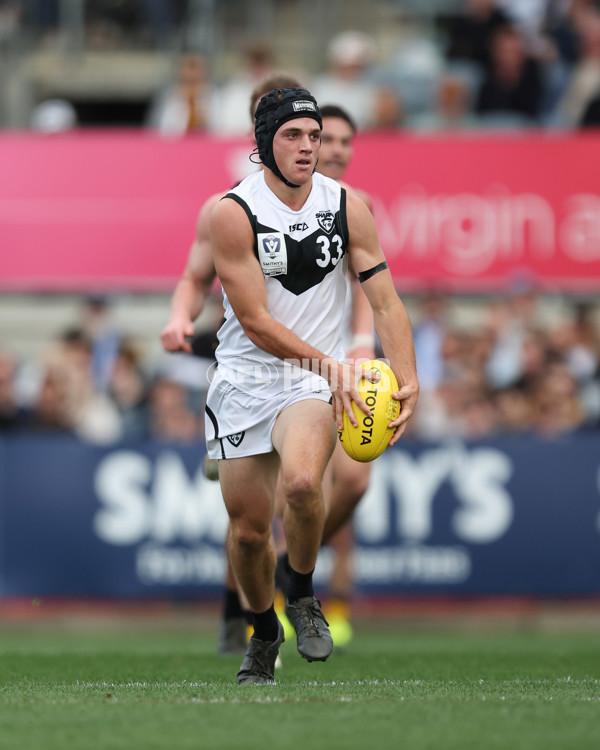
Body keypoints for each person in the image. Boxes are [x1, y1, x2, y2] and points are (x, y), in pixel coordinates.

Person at [206, 86, 418, 684]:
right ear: (264, 142)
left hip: (310, 380)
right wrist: (335, 367)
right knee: (247, 533)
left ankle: (300, 590)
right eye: (293, 135)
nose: (307, 147)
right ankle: (264, 629)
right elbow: (256, 323)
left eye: (314, 135)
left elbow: (384, 297)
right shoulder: (233, 211)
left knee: (302, 483)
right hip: (245, 377)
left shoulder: (348, 205)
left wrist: (409, 378)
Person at [273, 104, 376, 647]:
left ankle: (298, 576)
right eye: (323, 138)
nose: (332, 149)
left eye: (341, 141)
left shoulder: (356, 205)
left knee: (353, 481)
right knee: (298, 486)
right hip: (285, 365)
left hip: (343, 361)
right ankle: (297, 593)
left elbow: (369, 284)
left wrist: (362, 344)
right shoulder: (265, 202)